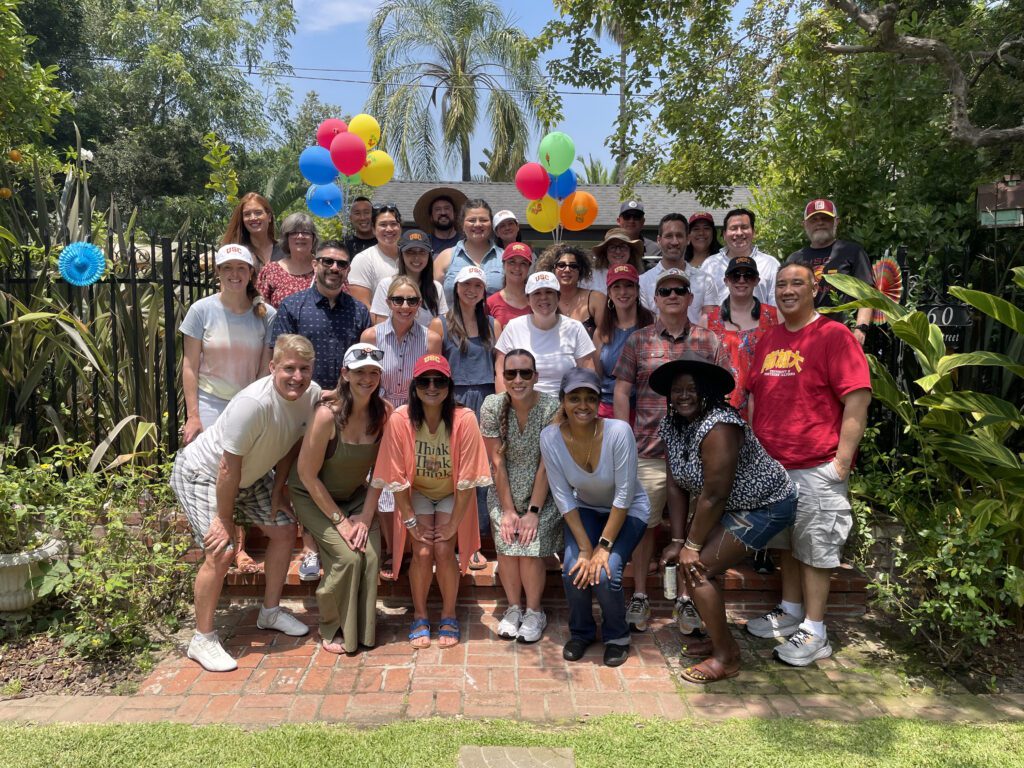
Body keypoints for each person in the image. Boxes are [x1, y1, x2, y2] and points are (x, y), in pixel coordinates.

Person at [169, 334, 320, 672]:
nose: (297, 376)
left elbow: (291, 444)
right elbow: (227, 467)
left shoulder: (310, 396)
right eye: (289, 368)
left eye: (304, 368)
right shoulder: (252, 403)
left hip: (248, 474)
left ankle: (269, 613)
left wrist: (279, 490)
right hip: (203, 473)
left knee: (283, 531)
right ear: (272, 367)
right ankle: (202, 639)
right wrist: (224, 520)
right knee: (220, 550)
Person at [745, 262, 872, 666]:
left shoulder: (833, 336)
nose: (787, 290)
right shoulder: (768, 340)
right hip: (774, 469)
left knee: (816, 550)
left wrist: (842, 462)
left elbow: (858, 399)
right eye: (781, 284)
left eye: (796, 283)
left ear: (814, 289)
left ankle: (816, 631)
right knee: (787, 546)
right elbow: (752, 397)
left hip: (817, 466)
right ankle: (790, 609)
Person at [652, 353, 796, 683]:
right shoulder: (674, 426)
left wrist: (691, 545)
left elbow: (714, 494)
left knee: (698, 568)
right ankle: (719, 640)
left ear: (709, 393)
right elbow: (676, 485)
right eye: (677, 390)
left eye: (692, 388)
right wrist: (677, 540)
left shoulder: (720, 427)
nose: (684, 395)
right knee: (698, 567)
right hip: (732, 506)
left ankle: (726, 656)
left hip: (767, 505)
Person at [612, 268, 729, 634]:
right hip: (648, 448)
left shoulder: (710, 342)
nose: (673, 295)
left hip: (696, 452)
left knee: (696, 527)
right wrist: (623, 438)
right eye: (665, 291)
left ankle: (685, 599)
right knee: (643, 525)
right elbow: (621, 391)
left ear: (690, 298)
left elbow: (725, 396)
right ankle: (642, 595)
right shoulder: (638, 341)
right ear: (656, 299)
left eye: (680, 290)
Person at [371, 354, 492, 649]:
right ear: (415, 386)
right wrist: (410, 520)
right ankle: (421, 615)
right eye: (425, 381)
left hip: (453, 493)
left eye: (439, 380)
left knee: (443, 547)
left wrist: (453, 524)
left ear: (450, 385)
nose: (432, 387)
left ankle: (449, 614)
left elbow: (467, 477)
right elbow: (396, 475)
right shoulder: (401, 419)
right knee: (423, 551)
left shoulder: (464, 419)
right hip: (419, 493)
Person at [272, 241, 373, 581]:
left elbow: (364, 359)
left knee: (330, 476)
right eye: (327, 261)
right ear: (314, 263)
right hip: (301, 405)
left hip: (345, 409)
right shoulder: (292, 306)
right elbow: (281, 358)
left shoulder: (358, 311)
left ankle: (326, 541)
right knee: (303, 476)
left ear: (347, 271)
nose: (334, 268)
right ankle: (309, 548)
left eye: (341, 264)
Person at [540, 368, 650, 667]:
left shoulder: (618, 431)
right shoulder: (550, 437)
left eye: (590, 397)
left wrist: (602, 547)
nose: (583, 405)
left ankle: (617, 636)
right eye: (574, 398)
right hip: (586, 509)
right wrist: (586, 549)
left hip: (628, 511)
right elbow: (562, 495)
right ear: (563, 401)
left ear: (599, 401)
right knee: (573, 569)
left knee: (606, 573)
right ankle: (582, 632)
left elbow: (625, 494)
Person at [180, 244, 276, 574]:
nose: (234, 275)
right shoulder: (201, 310)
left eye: (241, 268)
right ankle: (228, 547)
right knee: (220, 472)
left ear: (251, 273)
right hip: (210, 403)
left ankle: (242, 546)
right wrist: (193, 415)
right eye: (227, 268)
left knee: (244, 475)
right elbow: (190, 365)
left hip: (247, 403)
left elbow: (267, 369)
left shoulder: (266, 313)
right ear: (218, 272)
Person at [292, 343, 390, 654]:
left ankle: (362, 629)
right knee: (347, 558)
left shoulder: (383, 412)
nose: (367, 378)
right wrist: (341, 521)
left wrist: (364, 516)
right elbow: (307, 476)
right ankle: (332, 624)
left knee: (372, 556)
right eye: (360, 372)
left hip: (355, 497)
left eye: (374, 372)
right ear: (345, 374)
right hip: (312, 497)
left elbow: (381, 472)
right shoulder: (326, 415)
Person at [361, 275, 442, 576]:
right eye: (398, 300)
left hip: (416, 416)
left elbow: (434, 380)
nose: (405, 306)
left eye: (412, 300)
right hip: (380, 416)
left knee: (411, 481)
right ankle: (391, 549)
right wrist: (382, 409)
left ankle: (410, 547)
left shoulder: (430, 339)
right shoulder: (371, 336)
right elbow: (365, 378)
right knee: (383, 481)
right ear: (389, 302)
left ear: (420, 304)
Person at [481, 350, 560, 643]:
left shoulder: (552, 407)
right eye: (511, 373)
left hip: (543, 492)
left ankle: (535, 610)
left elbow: (546, 464)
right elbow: (496, 462)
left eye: (525, 373)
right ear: (502, 377)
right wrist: (509, 510)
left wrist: (533, 511)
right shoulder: (492, 406)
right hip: (505, 490)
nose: (518, 379)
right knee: (506, 542)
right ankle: (514, 608)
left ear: (536, 377)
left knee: (529, 544)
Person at [441, 265, 503, 570]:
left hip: (488, 400)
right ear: (456, 288)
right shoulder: (440, 325)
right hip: (455, 403)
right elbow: (435, 373)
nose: (472, 290)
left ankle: (479, 539)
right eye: (466, 284)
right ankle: (460, 540)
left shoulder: (493, 324)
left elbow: (500, 369)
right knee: (458, 473)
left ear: (483, 290)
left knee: (485, 474)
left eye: (478, 285)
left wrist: (502, 404)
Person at [699, 255, 779, 419]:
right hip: (722, 409)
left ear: (757, 280)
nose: (741, 280)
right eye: (735, 275)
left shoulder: (776, 316)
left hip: (766, 405)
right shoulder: (707, 321)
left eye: (748, 275)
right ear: (726, 280)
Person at [786, 198, 874, 346]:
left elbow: (867, 293)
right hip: (804, 336)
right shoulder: (795, 258)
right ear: (804, 225)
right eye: (814, 219)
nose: (820, 223)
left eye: (825, 218)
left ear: (836, 222)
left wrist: (860, 328)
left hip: (844, 335)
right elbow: (787, 298)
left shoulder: (852, 252)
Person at [495, 271, 596, 396]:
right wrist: (504, 405)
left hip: (565, 406)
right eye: (537, 293)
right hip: (521, 403)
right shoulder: (513, 327)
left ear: (558, 297)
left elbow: (587, 373)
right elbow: (500, 371)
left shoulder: (575, 328)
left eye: (549, 292)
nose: (543, 297)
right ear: (528, 299)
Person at [691, 208, 779, 320]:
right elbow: (700, 306)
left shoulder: (770, 264)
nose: (739, 233)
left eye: (744, 227)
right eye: (733, 228)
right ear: (724, 234)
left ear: (753, 232)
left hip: (762, 332)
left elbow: (776, 306)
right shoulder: (710, 265)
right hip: (719, 333)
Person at [594, 264, 653, 421]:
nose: (622, 292)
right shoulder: (602, 331)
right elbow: (597, 377)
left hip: (646, 410)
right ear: (609, 292)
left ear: (637, 290)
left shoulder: (653, 323)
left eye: (628, 286)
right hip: (608, 409)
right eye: (616, 287)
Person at [370, 229, 448, 326]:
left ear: (429, 255)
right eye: (410, 252)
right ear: (401, 254)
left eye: (422, 252)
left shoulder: (436, 288)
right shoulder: (386, 285)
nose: (416, 257)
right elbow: (380, 327)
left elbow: (442, 325)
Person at [435, 198, 504, 304]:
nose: (477, 224)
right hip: (453, 320)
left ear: (491, 224)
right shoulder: (445, 257)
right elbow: (432, 298)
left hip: (494, 320)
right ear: (462, 225)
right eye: (472, 220)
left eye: (483, 220)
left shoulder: (504, 257)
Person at [640, 213, 704, 325]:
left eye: (679, 235)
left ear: (688, 239)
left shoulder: (705, 280)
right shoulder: (643, 282)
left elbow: (711, 322)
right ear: (659, 240)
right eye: (669, 236)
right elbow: (646, 324)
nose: (674, 242)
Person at [535, 244, 605, 338]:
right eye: (561, 265)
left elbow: (604, 337)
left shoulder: (596, 299)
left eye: (573, 266)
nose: (567, 270)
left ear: (581, 270)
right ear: (552, 270)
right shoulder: (543, 300)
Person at [255, 212, 318, 308]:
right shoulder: (271, 270)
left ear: (313, 238)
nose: (300, 236)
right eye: (294, 232)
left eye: (306, 232)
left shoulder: (326, 267)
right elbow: (260, 309)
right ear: (286, 238)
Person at [348, 204, 403, 309]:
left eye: (393, 224)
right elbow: (363, 307)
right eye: (383, 225)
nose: (389, 229)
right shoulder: (363, 260)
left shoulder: (410, 258)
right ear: (373, 229)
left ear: (400, 227)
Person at [221, 192, 283, 269]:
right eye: (247, 214)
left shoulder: (285, 250)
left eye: (258, 213)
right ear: (242, 220)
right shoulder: (237, 253)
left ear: (269, 217)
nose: (253, 218)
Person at [486, 242, 533, 326]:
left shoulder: (537, 301)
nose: (517, 268)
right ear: (503, 265)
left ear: (529, 268)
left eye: (523, 263)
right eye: (512, 262)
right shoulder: (490, 303)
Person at [413, 187, 468, 253]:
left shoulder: (466, 242)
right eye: (437, 209)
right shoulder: (423, 244)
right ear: (431, 217)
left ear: (455, 214)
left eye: (447, 208)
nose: (443, 213)